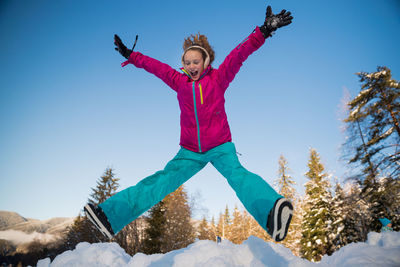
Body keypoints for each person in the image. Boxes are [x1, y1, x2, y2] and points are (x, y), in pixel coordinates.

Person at [84, 5, 293, 242]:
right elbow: (157, 67)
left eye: (196, 61)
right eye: (187, 62)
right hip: (190, 151)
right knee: (160, 181)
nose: (191, 66)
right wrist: (132, 56)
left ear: (206, 61)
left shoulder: (219, 78)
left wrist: (264, 31)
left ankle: (273, 213)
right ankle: (109, 216)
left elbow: (240, 54)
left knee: (239, 176)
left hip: (220, 146)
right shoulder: (179, 82)